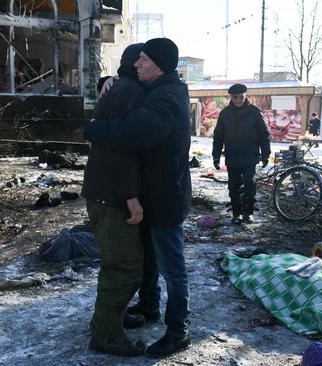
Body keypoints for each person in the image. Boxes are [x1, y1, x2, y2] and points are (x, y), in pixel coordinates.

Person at [84, 37, 192, 358]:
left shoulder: (166, 100)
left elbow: (132, 132)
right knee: (148, 260)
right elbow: (125, 87)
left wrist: (93, 129)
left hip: (165, 198)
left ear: (158, 66)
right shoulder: (157, 89)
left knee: (172, 268)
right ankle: (149, 307)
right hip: (153, 195)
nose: (137, 64)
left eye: (143, 60)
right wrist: (109, 81)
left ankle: (178, 331)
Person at [81, 43, 146, 357]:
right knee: (124, 267)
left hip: (103, 192)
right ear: (137, 64)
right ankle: (106, 336)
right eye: (146, 60)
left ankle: (112, 319)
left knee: (121, 265)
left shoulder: (118, 88)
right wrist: (130, 197)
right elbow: (116, 149)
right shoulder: (129, 91)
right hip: (111, 196)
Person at [212, 83, 271, 224]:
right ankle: (236, 214)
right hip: (232, 156)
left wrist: (265, 154)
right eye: (235, 97)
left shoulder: (254, 112)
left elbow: (264, 134)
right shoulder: (225, 114)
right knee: (233, 187)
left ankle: (248, 213)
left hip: (250, 156)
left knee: (250, 185)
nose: (238, 100)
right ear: (231, 97)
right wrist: (216, 156)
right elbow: (218, 136)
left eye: (241, 97)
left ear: (246, 96)